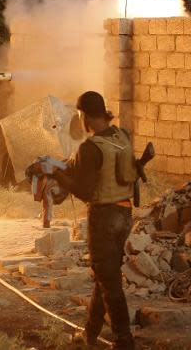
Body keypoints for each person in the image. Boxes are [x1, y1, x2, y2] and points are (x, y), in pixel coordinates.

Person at [50, 91, 136, 350]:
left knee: (110, 283)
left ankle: (124, 342)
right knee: (105, 275)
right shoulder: (122, 136)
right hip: (125, 214)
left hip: (104, 218)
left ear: (84, 115)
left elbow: (85, 191)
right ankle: (89, 334)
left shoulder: (90, 148)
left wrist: (58, 174)